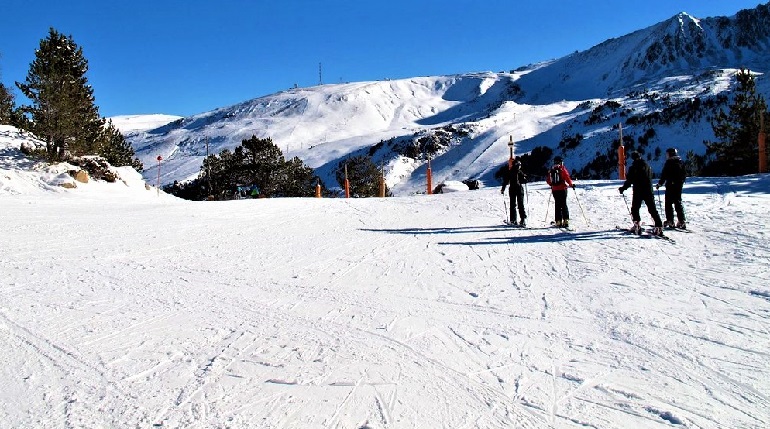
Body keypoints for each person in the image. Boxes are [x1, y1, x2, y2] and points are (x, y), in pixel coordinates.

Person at [618, 151, 664, 235]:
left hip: (638, 190)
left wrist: (623, 188)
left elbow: (630, 180)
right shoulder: (647, 166)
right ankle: (658, 226)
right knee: (652, 208)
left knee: (635, 208)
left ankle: (637, 225)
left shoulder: (633, 167)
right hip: (649, 190)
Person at [656, 148, 687, 229]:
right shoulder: (680, 161)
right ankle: (681, 221)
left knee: (668, 203)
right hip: (679, 185)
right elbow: (684, 173)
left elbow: (664, 175)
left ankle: (670, 220)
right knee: (678, 202)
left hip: (670, 185)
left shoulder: (669, 162)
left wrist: (659, 184)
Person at [546, 156, 575, 228]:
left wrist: (552, 185)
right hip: (563, 189)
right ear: (560, 162)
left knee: (557, 205)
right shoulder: (562, 169)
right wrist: (571, 185)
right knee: (564, 204)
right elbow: (567, 177)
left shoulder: (552, 169)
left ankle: (558, 221)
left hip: (555, 190)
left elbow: (548, 181)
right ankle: (566, 220)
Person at [500, 157, 528, 226]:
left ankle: (513, 220)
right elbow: (524, 180)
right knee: (520, 204)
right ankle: (523, 219)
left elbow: (505, 181)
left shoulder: (510, 171)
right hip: (519, 189)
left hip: (512, 189)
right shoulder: (519, 171)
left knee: (513, 205)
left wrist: (503, 189)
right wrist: (525, 178)